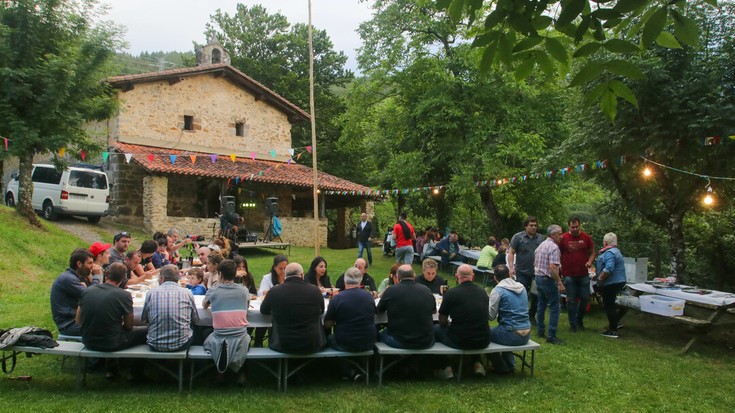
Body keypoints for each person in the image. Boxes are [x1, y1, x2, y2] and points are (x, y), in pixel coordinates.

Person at [434, 264, 491, 378]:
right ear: (472, 276)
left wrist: (449, 324)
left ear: (456, 276)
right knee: (472, 328)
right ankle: (476, 363)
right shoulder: (483, 292)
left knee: (435, 329)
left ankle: (445, 366)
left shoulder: (451, 293)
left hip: (461, 340)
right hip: (483, 339)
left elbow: (442, 321)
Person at [76, 262, 147, 351]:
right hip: (112, 343)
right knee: (148, 330)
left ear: (106, 274)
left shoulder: (87, 291)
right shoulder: (124, 295)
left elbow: (78, 320)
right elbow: (129, 326)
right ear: (124, 278)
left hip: (88, 341)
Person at [260, 262, 326, 354]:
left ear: (285, 276)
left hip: (283, 345)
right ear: (302, 275)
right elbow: (322, 311)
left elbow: (263, 310)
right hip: (311, 344)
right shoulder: (315, 290)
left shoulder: (274, 292)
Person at [202, 259, 250, 384]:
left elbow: (204, 305)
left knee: (204, 332)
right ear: (235, 274)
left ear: (220, 274)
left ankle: (215, 370)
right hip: (241, 337)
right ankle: (238, 371)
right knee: (245, 333)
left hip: (219, 336)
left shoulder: (214, 290)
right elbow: (247, 305)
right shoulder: (244, 290)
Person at [376, 264, 436, 349]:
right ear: (414, 275)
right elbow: (434, 311)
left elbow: (378, 311)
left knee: (377, 332)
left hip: (400, 340)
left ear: (397, 277)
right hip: (425, 341)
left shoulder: (391, 290)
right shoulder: (426, 290)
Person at [142, 264, 198, 351]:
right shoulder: (187, 293)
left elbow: (145, 319)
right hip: (182, 344)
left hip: (155, 344)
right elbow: (195, 318)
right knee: (196, 328)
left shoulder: (151, 293)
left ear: (162, 278)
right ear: (178, 278)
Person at [488, 264, 531, 374]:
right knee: (502, 329)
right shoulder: (522, 287)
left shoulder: (497, 291)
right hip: (526, 333)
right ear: (509, 274)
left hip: (510, 334)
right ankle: (510, 364)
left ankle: (501, 367)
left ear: (494, 277)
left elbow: (490, 316)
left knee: (483, 335)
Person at [324, 267, 377, 352]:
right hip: (368, 342)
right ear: (360, 281)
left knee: (328, 337)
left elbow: (328, 324)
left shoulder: (338, 298)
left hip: (344, 343)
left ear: (344, 280)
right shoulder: (369, 297)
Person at [50, 249, 97, 336]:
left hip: (77, 321)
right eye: (90, 263)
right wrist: (97, 276)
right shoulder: (68, 279)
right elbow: (93, 296)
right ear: (79, 264)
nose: (92, 266)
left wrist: (90, 281)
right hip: (69, 325)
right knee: (109, 327)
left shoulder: (77, 277)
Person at [560, 217, 596, 332]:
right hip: (568, 274)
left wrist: (590, 262)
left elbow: (592, 252)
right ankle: (573, 324)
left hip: (583, 273)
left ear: (580, 226)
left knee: (585, 298)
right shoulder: (564, 238)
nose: (575, 229)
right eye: (572, 227)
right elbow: (558, 253)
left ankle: (579, 319)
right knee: (571, 300)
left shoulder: (586, 237)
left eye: (577, 227)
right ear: (569, 227)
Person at [533, 224, 565, 344]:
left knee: (541, 304)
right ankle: (551, 335)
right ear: (553, 234)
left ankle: (540, 330)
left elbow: (535, 262)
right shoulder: (554, 248)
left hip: (538, 278)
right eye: (560, 234)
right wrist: (559, 282)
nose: (561, 236)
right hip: (547, 279)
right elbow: (553, 267)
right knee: (555, 306)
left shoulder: (541, 245)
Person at [508, 216, 543, 322]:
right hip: (522, 271)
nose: (534, 228)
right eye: (531, 225)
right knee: (520, 294)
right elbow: (511, 252)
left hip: (536, 272)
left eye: (535, 225)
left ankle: (531, 315)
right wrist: (511, 268)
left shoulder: (541, 238)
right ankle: (519, 315)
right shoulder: (518, 237)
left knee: (536, 295)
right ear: (525, 226)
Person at [596, 233, 627, 339]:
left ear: (605, 242)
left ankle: (613, 330)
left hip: (612, 282)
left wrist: (600, 278)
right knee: (611, 303)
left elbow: (609, 268)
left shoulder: (609, 252)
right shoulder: (616, 251)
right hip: (619, 280)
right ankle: (615, 323)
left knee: (609, 305)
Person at [254, 254, 289, 347]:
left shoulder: (289, 277)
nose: (283, 271)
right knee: (263, 318)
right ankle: (258, 342)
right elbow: (260, 293)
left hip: (285, 307)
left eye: (285, 268)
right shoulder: (267, 278)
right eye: (280, 268)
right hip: (270, 307)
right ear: (274, 267)